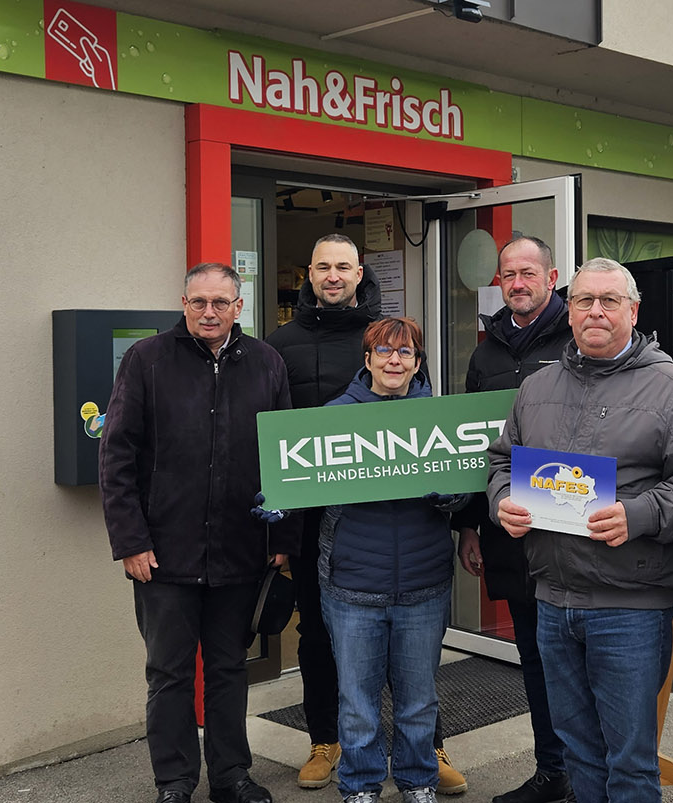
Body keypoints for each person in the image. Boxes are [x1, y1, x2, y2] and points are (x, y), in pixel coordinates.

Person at [487, 258, 673, 803]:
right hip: (553, 599)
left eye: (609, 301)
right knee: (579, 754)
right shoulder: (537, 387)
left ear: (633, 311)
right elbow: (503, 460)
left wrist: (640, 514)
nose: (595, 311)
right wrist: (502, 500)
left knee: (629, 763)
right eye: (584, 300)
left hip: (630, 604)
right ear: (569, 311)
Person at [268, 234, 464, 794]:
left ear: (360, 273)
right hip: (337, 543)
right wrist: (280, 504)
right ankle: (330, 749)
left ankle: (425, 758)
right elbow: (283, 443)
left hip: (415, 556)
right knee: (326, 650)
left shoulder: (399, 355)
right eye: (323, 266)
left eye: (343, 266)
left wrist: (453, 498)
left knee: (415, 678)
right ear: (309, 274)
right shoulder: (282, 346)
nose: (333, 275)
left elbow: (452, 469)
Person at [101, 262, 298, 803]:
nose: (209, 312)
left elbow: (285, 456)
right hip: (163, 555)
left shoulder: (267, 362)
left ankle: (231, 776)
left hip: (240, 550)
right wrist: (131, 541)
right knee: (169, 674)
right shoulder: (146, 359)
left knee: (229, 670)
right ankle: (175, 781)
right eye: (198, 302)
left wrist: (283, 540)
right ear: (183, 303)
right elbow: (116, 455)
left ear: (239, 307)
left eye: (220, 303)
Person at [318, 317, 469, 803]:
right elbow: (306, 481)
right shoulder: (333, 417)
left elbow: (469, 483)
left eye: (405, 352)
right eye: (383, 351)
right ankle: (360, 786)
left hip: (423, 584)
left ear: (418, 363)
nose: (394, 361)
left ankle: (418, 780)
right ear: (367, 360)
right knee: (357, 704)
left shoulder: (441, 418)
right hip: (353, 585)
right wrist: (280, 497)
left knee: (418, 700)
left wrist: (454, 496)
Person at [453, 236, 573, 803]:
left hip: (573, 534)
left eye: (529, 272)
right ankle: (553, 773)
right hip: (510, 531)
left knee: (579, 664)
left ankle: (589, 776)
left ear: (552, 277)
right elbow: (475, 450)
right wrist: (469, 524)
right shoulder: (486, 353)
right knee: (535, 661)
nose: (518, 283)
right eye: (509, 275)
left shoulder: (579, 336)